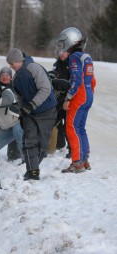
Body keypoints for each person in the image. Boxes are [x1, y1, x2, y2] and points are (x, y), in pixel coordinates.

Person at [6, 48, 57, 180]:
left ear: (19, 60)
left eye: (12, 64)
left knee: (41, 144)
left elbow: (46, 89)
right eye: (9, 64)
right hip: (30, 113)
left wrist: (31, 105)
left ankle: (34, 167)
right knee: (29, 141)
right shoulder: (16, 77)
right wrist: (22, 112)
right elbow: (20, 97)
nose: (10, 67)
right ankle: (32, 172)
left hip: (46, 110)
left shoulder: (34, 68)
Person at [54, 27, 96, 173]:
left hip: (79, 95)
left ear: (68, 41)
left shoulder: (74, 57)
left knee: (71, 127)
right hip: (88, 94)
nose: (61, 48)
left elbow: (76, 80)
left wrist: (69, 98)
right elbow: (93, 81)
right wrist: (88, 96)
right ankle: (84, 160)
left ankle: (77, 162)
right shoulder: (86, 56)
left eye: (62, 44)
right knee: (81, 128)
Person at [0, 67, 21, 161]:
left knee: (17, 129)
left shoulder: (15, 86)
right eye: (2, 75)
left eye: (7, 75)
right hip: (0, 116)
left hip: (15, 115)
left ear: (10, 77)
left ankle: (15, 154)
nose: (5, 77)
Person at [52, 52, 72, 157]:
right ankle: (59, 144)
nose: (62, 54)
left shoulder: (73, 65)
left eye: (64, 53)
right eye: (60, 52)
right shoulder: (57, 64)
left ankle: (72, 149)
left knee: (68, 125)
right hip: (59, 99)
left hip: (69, 99)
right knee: (55, 121)